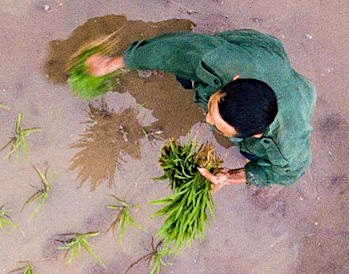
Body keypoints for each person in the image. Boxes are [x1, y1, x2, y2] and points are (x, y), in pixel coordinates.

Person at [83, 27, 312, 187]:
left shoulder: (288, 145)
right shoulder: (218, 60)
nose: (207, 120)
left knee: (254, 156)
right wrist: (113, 63)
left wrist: (231, 177)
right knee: (189, 66)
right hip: (259, 50)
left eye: (218, 125)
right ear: (234, 80)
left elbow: (289, 174)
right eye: (211, 109)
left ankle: (247, 150)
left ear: (256, 134)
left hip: (293, 90)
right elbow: (171, 50)